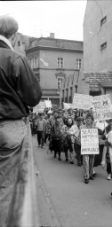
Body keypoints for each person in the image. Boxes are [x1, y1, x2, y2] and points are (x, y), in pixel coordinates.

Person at [0, 15, 42, 226]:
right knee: (6, 184)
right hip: (9, 126)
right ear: (14, 35)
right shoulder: (15, 59)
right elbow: (33, 96)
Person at [80, 113, 97, 183]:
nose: (88, 119)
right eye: (87, 118)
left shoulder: (94, 127)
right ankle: (86, 176)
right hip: (85, 146)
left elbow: (96, 136)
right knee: (86, 161)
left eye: (89, 118)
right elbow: (80, 136)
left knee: (91, 161)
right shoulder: (82, 127)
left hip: (92, 146)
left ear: (92, 120)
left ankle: (90, 174)